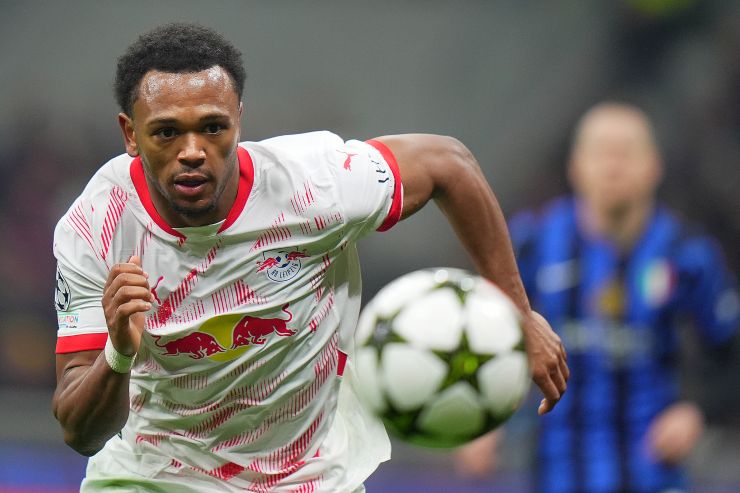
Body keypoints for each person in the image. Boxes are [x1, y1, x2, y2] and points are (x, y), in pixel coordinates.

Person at [51, 23, 568, 492]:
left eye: (213, 127)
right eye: (167, 132)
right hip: (156, 477)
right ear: (130, 134)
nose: (192, 150)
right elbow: (80, 432)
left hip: (307, 479)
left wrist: (517, 313)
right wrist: (119, 353)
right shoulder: (95, 227)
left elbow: (448, 164)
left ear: (239, 120)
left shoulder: (314, 185)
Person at [457, 102, 740, 493]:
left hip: (654, 474)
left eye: (626, 152)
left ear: (654, 166)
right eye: (602, 152)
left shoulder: (687, 254)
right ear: (576, 167)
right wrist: (480, 419)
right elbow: (482, 331)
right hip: (556, 475)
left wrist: (697, 410)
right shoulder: (532, 242)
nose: (613, 165)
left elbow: (729, 350)